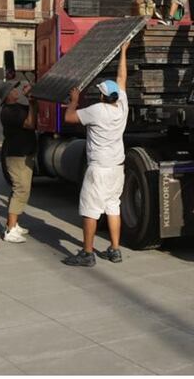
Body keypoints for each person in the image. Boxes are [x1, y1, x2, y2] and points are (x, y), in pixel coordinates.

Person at [62, 41, 131, 267]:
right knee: (113, 207)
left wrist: (74, 101)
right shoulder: (122, 106)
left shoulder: (96, 111)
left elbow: (69, 118)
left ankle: (87, 253)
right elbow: (122, 78)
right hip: (117, 169)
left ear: (102, 96)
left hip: (99, 169)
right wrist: (123, 51)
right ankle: (115, 249)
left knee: (90, 211)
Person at [0, 82, 38, 243]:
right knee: (21, 190)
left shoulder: (18, 107)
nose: (16, 90)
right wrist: (31, 102)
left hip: (24, 153)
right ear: (8, 95)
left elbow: (34, 112)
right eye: (13, 89)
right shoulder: (8, 112)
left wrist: (32, 98)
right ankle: (10, 230)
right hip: (17, 155)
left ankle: (14, 224)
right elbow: (30, 123)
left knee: (20, 190)